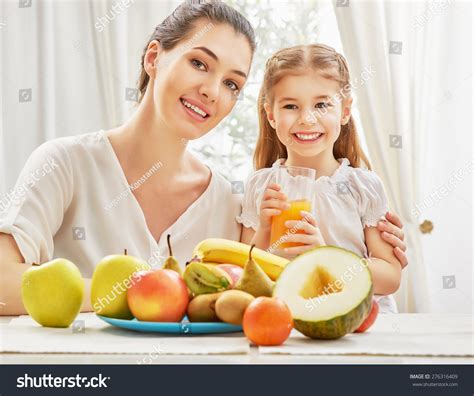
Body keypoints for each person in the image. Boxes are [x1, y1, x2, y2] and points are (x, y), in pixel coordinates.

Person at [0, 1, 406, 316]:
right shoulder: (65, 163)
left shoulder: (228, 204)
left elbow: (250, 293)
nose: (213, 91)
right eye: (199, 63)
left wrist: (357, 264)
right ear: (153, 57)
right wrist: (142, 290)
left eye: (231, 83)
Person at [238, 44, 402, 313]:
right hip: (291, 319)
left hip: (356, 323)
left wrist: (325, 256)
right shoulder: (261, 186)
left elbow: (390, 277)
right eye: (291, 106)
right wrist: (265, 230)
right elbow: (246, 270)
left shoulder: (363, 186)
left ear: (345, 110)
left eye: (322, 104)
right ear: (271, 115)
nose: (306, 118)